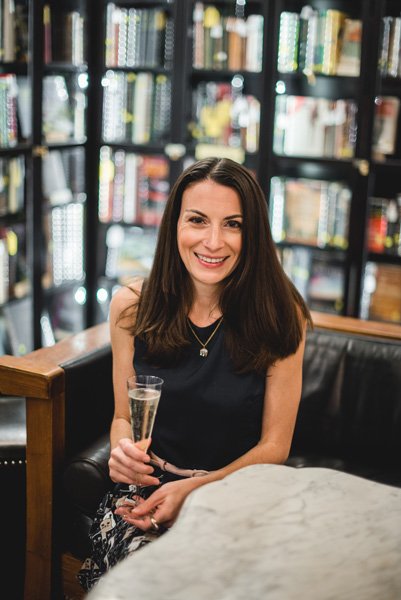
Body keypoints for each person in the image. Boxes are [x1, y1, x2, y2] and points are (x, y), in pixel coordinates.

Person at [78, 157, 312, 590]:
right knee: (148, 579)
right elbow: (122, 418)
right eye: (198, 220)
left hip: (239, 494)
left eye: (233, 224)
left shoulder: (283, 316)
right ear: (174, 226)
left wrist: (196, 491)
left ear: (253, 233)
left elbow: (274, 446)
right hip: (145, 493)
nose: (213, 241)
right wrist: (122, 452)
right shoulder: (130, 306)